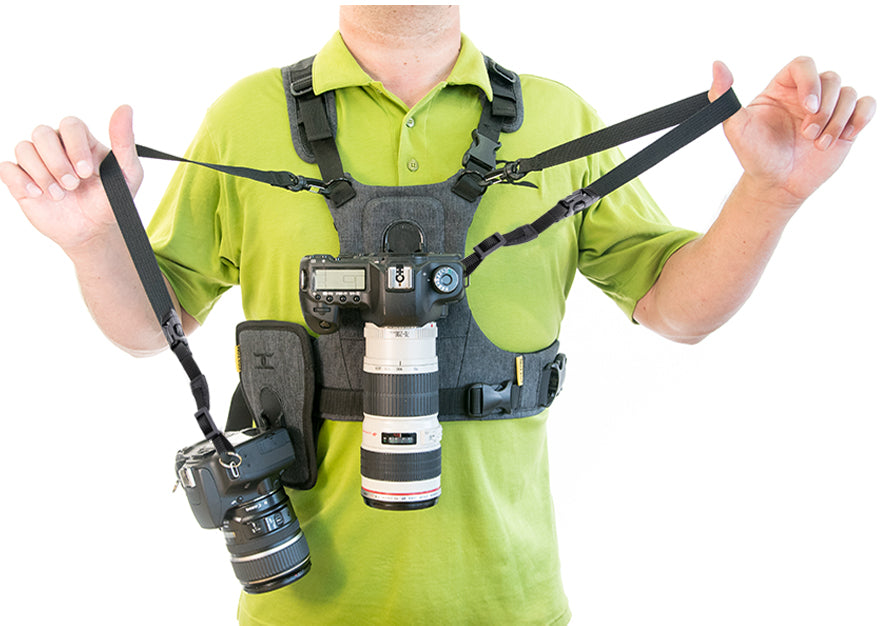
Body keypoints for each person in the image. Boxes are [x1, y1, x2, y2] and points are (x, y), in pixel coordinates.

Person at [0, 5, 876, 625]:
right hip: (300, 607)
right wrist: (88, 242)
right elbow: (153, 324)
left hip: (510, 603)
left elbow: (678, 313)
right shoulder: (244, 118)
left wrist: (770, 193)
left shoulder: (557, 116)